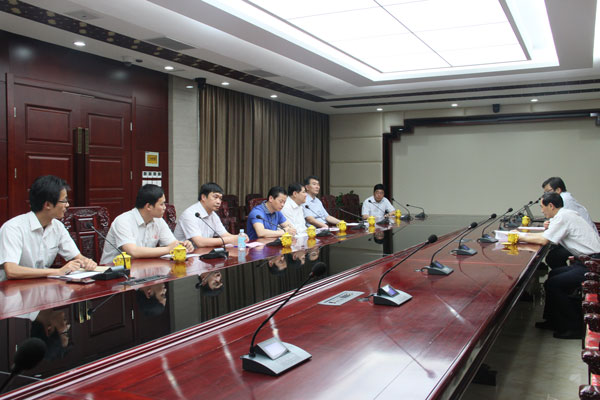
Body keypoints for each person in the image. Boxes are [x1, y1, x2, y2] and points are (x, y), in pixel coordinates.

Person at [515, 192, 600, 339]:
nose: (542, 211)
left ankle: (573, 328)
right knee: (553, 274)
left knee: (554, 284)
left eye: (542, 207)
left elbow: (543, 240)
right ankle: (553, 320)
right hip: (586, 261)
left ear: (551, 205)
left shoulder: (563, 217)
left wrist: (517, 237)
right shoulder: (564, 215)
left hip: (592, 265)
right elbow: (547, 236)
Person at [0, 175, 97, 281]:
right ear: (47, 205)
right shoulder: (13, 228)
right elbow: (12, 271)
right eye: (64, 201)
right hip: (13, 287)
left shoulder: (58, 227)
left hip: (42, 285)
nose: (67, 205)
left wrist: (87, 262)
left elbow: (77, 257)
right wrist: (57, 272)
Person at [100, 184, 193, 265]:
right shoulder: (123, 221)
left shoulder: (158, 220)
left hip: (143, 268)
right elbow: (133, 252)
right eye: (161, 204)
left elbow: (172, 243)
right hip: (114, 271)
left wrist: (182, 245)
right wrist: (169, 249)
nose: (165, 207)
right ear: (148, 206)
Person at [541, 177, 597, 268]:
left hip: (586, 245)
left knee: (554, 256)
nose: (546, 195)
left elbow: (561, 219)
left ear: (558, 190)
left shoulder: (565, 200)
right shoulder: (565, 198)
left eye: (548, 192)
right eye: (545, 193)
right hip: (583, 240)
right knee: (554, 254)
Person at [174, 182, 246, 247]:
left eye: (220, 198)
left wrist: (240, 237)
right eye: (215, 197)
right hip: (184, 255)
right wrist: (231, 239)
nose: (219, 202)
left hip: (204, 253)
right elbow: (200, 242)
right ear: (203, 197)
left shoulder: (213, 215)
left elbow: (225, 235)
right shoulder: (189, 214)